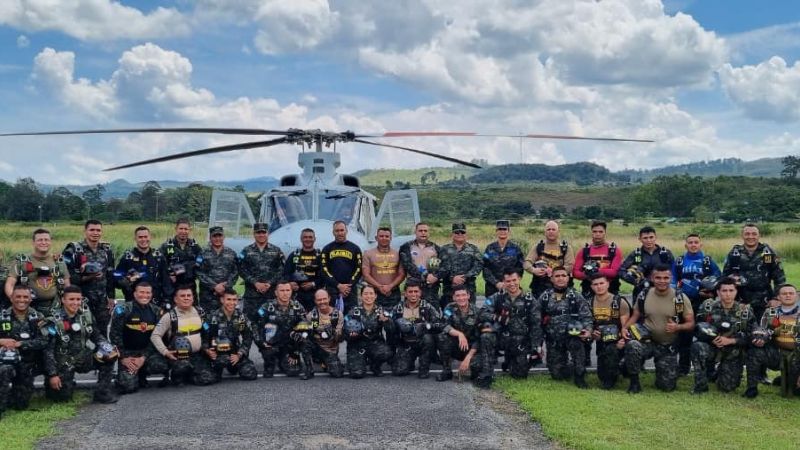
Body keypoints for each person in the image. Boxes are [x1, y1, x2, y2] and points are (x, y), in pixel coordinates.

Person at [623, 264, 695, 393]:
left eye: (666, 278)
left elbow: (691, 323)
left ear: (671, 278)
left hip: (667, 346)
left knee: (667, 386)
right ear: (652, 278)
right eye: (658, 278)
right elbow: (635, 316)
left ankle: (662, 372)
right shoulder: (644, 294)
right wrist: (624, 328)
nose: (662, 281)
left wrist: (677, 327)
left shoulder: (680, 298)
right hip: (647, 341)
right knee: (633, 345)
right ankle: (634, 382)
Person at [42, 286, 118, 403]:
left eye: (78, 299)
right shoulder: (53, 321)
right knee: (62, 398)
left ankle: (102, 393)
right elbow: (48, 351)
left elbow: (96, 335)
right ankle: (60, 383)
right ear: (63, 300)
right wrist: (52, 375)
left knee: (109, 356)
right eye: (71, 299)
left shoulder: (85, 316)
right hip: (63, 363)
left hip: (83, 357)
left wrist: (107, 346)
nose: (75, 303)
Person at [691, 277, 755, 394]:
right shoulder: (707, 306)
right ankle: (700, 385)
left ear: (736, 292)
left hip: (733, 351)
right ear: (718, 292)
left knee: (727, 387)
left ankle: (721, 372)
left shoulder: (745, 311)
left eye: (731, 291)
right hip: (712, 347)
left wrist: (731, 341)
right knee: (697, 347)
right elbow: (697, 328)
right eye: (724, 291)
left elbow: (752, 336)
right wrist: (711, 339)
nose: (728, 294)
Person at [672, 233, 722, 375]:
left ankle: (709, 369)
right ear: (685, 245)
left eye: (696, 242)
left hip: (704, 303)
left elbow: (719, 278)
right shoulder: (680, 261)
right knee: (684, 336)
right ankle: (683, 369)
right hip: (684, 303)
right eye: (690, 242)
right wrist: (676, 291)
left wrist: (710, 292)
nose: (693, 245)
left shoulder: (707, 261)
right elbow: (672, 279)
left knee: (706, 334)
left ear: (701, 244)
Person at [480, 269, 542, 381]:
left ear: (520, 279)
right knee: (486, 337)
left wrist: (536, 347)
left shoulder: (530, 300)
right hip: (502, 337)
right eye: (508, 281)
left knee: (520, 376)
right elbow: (483, 312)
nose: (512, 283)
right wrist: (497, 317)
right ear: (503, 282)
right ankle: (487, 374)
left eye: (514, 280)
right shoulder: (497, 297)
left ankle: (509, 360)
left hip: (521, 340)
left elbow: (536, 325)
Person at [149, 286, 216, 387]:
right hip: (178, 356)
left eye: (189, 295)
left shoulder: (200, 312)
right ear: (176, 299)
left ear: (193, 298)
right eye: (182, 296)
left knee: (207, 379)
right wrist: (165, 352)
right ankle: (176, 374)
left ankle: (188, 374)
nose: (186, 298)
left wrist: (207, 349)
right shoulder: (170, 316)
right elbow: (155, 335)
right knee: (181, 370)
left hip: (197, 355)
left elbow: (207, 332)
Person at [110, 281, 169, 394]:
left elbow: (157, 337)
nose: (145, 295)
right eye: (141, 292)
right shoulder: (123, 310)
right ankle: (128, 376)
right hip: (128, 354)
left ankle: (142, 373)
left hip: (147, 353)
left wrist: (143, 357)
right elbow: (114, 335)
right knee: (128, 387)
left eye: (148, 293)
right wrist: (123, 358)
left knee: (161, 365)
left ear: (151, 294)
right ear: (135, 294)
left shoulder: (157, 311)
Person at [539, 267, 593, 388]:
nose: (560, 278)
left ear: (568, 278)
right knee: (557, 374)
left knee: (577, 346)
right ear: (551, 279)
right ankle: (567, 366)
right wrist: (538, 343)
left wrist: (588, 331)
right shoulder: (545, 297)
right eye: (557, 276)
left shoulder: (576, 296)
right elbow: (537, 320)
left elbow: (587, 317)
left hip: (572, 336)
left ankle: (580, 375)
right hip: (553, 339)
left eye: (563, 275)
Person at [743, 284, 800, 398]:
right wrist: (761, 339)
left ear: (797, 296)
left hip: (797, 356)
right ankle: (752, 388)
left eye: (791, 293)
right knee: (754, 352)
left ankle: (788, 379)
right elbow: (763, 331)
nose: (788, 295)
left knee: (793, 393)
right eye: (784, 293)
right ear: (778, 296)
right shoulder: (770, 313)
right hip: (776, 353)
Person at [0, 285, 48, 417]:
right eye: (18, 297)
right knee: (4, 370)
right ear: (11, 298)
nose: (22, 300)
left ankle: (12, 397)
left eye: (25, 297)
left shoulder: (38, 317)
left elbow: (44, 341)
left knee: (21, 404)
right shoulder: (2, 316)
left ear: (30, 299)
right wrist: (2, 342)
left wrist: (22, 344)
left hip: (28, 363)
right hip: (5, 361)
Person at [723, 223, 786, 321]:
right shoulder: (735, 253)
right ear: (742, 235)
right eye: (747, 234)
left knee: (765, 330)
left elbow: (780, 278)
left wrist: (776, 298)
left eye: (754, 234)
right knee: (741, 331)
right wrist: (731, 300)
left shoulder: (767, 253)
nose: (750, 236)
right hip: (740, 301)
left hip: (765, 300)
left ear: (759, 235)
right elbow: (725, 279)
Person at [62, 220, 115, 334]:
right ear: (85, 231)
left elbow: (110, 275)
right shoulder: (73, 250)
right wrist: (88, 277)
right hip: (81, 299)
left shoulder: (107, 250)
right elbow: (67, 277)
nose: (95, 233)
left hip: (102, 300)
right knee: (80, 330)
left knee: (102, 330)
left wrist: (111, 297)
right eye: (92, 230)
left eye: (98, 230)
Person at [252, 280, 313, 380]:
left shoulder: (297, 307)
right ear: (276, 292)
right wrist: (260, 342)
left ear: (291, 291)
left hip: (289, 345)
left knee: (294, 371)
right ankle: (270, 364)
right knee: (268, 370)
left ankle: (309, 370)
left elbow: (306, 327)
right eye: (282, 290)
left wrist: (295, 352)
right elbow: (254, 325)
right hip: (272, 343)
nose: (285, 293)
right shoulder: (267, 307)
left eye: (288, 290)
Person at [437, 285, 493, 388]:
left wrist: (468, 358)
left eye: (463, 295)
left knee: (476, 368)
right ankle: (447, 370)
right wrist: (459, 334)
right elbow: (443, 324)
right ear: (454, 297)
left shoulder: (477, 312)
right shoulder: (450, 307)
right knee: (442, 337)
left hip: (471, 349)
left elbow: (479, 338)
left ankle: (472, 371)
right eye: (458, 296)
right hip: (456, 346)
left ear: (468, 296)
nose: (461, 298)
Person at [4, 228, 70, 314]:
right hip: (29, 308)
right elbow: (10, 284)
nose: (43, 242)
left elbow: (67, 285)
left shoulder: (59, 262)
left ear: (51, 242)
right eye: (40, 240)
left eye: (46, 240)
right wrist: (16, 301)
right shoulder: (22, 262)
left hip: (55, 308)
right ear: (33, 242)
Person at [202, 289, 258, 382]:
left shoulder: (241, 317)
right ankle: (217, 369)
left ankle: (233, 368)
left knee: (250, 374)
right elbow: (203, 338)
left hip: (234, 353)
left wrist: (239, 354)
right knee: (207, 379)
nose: (232, 303)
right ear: (222, 300)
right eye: (228, 299)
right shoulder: (211, 317)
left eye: (234, 300)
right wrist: (208, 351)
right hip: (217, 355)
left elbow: (248, 337)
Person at [390, 280, 442, 378]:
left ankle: (424, 367)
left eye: (416, 291)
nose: (413, 294)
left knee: (428, 338)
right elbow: (391, 327)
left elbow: (439, 324)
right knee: (398, 371)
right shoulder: (398, 308)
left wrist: (426, 325)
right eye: (410, 292)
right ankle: (409, 362)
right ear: (405, 293)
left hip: (423, 343)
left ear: (420, 293)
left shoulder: (427, 306)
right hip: (406, 344)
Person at [589, 274, 630, 389]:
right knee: (602, 376)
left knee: (610, 378)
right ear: (591, 287)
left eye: (601, 283)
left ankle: (624, 366)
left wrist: (622, 341)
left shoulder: (619, 302)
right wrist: (592, 333)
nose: (599, 287)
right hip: (601, 343)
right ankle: (615, 369)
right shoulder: (590, 303)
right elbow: (588, 325)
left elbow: (626, 326)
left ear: (608, 284)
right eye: (595, 284)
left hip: (618, 342)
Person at [343, 285, 394, 378]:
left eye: (371, 293)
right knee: (357, 374)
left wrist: (386, 321)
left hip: (374, 343)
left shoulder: (381, 311)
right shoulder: (353, 311)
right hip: (357, 345)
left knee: (386, 353)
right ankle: (360, 361)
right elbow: (344, 331)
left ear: (375, 296)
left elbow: (392, 330)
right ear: (361, 296)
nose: (368, 296)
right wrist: (350, 335)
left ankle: (374, 365)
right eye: (365, 294)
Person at [239, 222, 286, 322]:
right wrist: (255, 283)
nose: (261, 235)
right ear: (254, 234)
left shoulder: (276, 251)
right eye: (258, 232)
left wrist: (269, 283)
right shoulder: (246, 251)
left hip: (270, 295)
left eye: (263, 232)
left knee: (271, 323)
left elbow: (282, 269)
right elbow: (241, 269)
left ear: (267, 234)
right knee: (250, 323)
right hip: (251, 296)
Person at [618, 226, 675, 301]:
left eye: (651, 237)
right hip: (641, 291)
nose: (649, 240)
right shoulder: (635, 254)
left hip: (663, 291)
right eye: (645, 238)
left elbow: (674, 271)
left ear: (656, 237)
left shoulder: (666, 253)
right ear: (640, 239)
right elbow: (621, 270)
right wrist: (634, 281)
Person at [114, 226, 165, 307]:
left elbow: (166, 281)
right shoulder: (127, 258)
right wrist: (128, 280)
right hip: (133, 303)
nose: (143, 240)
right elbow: (116, 279)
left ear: (150, 237)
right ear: (135, 239)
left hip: (155, 303)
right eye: (140, 237)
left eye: (146, 237)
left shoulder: (158, 257)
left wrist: (167, 300)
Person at [524, 220, 575, 297]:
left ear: (558, 231)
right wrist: (534, 270)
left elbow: (570, 266)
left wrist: (554, 272)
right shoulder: (538, 247)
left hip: (562, 287)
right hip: (540, 288)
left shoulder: (566, 248)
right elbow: (527, 263)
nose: (551, 231)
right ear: (545, 232)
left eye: (553, 229)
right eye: (548, 229)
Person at [320, 221, 362, 312]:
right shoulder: (327, 249)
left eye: (342, 230)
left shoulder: (355, 248)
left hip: (350, 291)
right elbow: (324, 270)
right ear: (333, 232)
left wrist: (348, 286)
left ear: (346, 231)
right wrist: (338, 285)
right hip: (332, 291)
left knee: (352, 320)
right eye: (337, 231)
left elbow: (358, 269)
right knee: (333, 320)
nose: (340, 233)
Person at [573, 220, 622, 297]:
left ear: (605, 233)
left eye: (600, 232)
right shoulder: (584, 251)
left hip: (610, 291)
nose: (597, 234)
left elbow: (615, 272)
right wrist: (586, 275)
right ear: (591, 233)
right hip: (589, 290)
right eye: (595, 232)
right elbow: (575, 272)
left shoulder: (614, 251)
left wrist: (595, 271)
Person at [159, 218, 203, 304]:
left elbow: (200, 263)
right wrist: (169, 275)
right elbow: (159, 265)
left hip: (190, 287)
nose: (183, 231)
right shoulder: (167, 246)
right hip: (172, 287)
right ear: (176, 229)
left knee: (191, 314)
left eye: (186, 229)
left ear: (189, 230)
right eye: (181, 228)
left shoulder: (195, 247)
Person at [196, 226, 239, 312]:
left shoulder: (231, 253)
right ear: (210, 237)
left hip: (226, 296)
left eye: (220, 236)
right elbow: (198, 271)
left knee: (225, 321)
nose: (217, 238)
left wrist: (225, 286)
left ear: (224, 237)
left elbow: (236, 271)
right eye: (215, 236)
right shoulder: (203, 253)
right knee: (207, 322)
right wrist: (214, 286)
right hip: (207, 296)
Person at [439, 223, 483, 307]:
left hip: (468, 288)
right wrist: (452, 278)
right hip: (449, 289)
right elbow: (439, 267)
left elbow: (479, 265)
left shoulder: (473, 249)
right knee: (449, 314)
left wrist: (465, 277)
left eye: (462, 232)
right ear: (452, 234)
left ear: (466, 234)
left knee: (469, 313)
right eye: (457, 232)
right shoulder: (444, 249)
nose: (460, 234)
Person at [398, 222, 442, 306]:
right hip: (413, 287)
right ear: (415, 232)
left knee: (432, 314)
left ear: (429, 233)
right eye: (420, 230)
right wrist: (424, 277)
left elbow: (440, 266)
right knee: (412, 313)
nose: (423, 233)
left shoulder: (436, 248)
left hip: (431, 288)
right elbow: (408, 265)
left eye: (425, 231)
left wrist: (435, 276)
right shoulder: (406, 247)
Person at [362, 227, 405, 309]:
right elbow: (366, 275)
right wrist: (379, 287)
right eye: (381, 236)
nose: (384, 238)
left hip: (394, 293)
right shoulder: (368, 254)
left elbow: (402, 274)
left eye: (387, 236)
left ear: (391, 238)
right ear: (376, 238)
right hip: (375, 293)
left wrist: (390, 286)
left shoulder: (398, 254)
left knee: (395, 317)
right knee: (376, 319)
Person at [306, 289, 345, 378]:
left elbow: (339, 338)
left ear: (329, 299)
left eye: (324, 299)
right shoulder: (311, 316)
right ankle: (309, 368)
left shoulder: (338, 315)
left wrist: (333, 333)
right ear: (315, 301)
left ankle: (327, 362)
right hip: (316, 348)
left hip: (331, 349)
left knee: (337, 374)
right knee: (304, 340)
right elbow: (308, 335)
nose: (322, 302)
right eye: (319, 300)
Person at [482, 220, 525, 298]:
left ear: (509, 231)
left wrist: (510, 282)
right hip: (492, 288)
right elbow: (485, 268)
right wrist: (496, 283)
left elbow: (520, 267)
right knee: (490, 309)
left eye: (504, 229)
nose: (502, 231)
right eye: (500, 229)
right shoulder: (489, 248)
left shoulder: (515, 248)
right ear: (496, 231)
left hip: (511, 288)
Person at [283, 228, 322, 311]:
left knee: (314, 319)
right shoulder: (294, 255)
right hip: (297, 295)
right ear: (301, 239)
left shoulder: (320, 256)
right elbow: (285, 274)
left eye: (310, 237)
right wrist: (290, 283)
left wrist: (313, 284)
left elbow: (325, 276)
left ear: (315, 239)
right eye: (305, 237)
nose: (308, 239)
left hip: (315, 295)